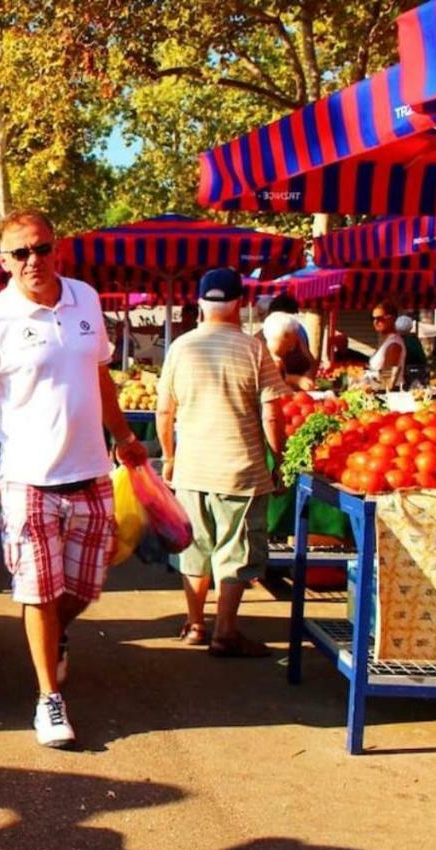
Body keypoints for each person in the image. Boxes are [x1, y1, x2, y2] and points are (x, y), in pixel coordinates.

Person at [0, 209, 146, 750]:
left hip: (91, 470)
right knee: (36, 588)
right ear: (4, 260)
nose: (34, 260)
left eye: (43, 248)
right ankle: (48, 699)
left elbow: (99, 374)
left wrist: (125, 437)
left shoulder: (86, 299)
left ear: (59, 249)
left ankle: (55, 634)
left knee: (85, 584)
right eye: (21, 253)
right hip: (27, 477)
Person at [156, 268, 288, 658]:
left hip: (192, 469)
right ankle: (225, 632)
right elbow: (272, 414)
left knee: (194, 549)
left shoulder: (181, 348)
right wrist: (277, 459)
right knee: (237, 552)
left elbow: (164, 411)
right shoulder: (255, 349)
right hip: (241, 469)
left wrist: (168, 458)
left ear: (199, 303)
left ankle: (196, 624)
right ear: (241, 303)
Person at [261, 311, 317, 391]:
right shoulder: (259, 348)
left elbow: (310, 362)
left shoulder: (296, 340)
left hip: (300, 396)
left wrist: (308, 374)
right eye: (289, 344)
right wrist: (295, 380)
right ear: (283, 337)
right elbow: (269, 380)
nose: (292, 347)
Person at [368, 301, 406, 388]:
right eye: (373, 318)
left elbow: (388, 381)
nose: (375, 322)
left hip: (388, 394)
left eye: (380, 318)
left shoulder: (394, 344)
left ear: (392, 318)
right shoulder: (387, 341)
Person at [395, 315, 428, 384]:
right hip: (413, 374)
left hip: (397, 375)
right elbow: (422, 358)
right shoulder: (414, 340)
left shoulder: (395, 339)